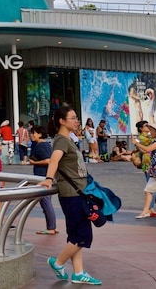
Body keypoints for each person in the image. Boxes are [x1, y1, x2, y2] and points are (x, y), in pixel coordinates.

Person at [39, 105, 102, 286]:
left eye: (77, 118)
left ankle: (79, 272)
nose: (77, 121)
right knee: (83, 235)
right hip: (72, 195)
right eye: (73, 118)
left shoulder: (68, 139)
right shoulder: (61, 140)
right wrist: (49, 178)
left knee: (75, 235)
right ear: (62, 121)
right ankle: (58, 263)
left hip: (78, 193)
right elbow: (55, 160)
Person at [27, 125, 58, 235]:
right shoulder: (48, 145)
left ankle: (51, 227)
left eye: (33, 133)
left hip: (42, 177)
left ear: (40, 134)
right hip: (47, 176)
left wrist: (34, 163)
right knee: (47, 202)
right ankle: (52, 226)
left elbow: (48, 160)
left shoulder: (40, 146)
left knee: (45, 202)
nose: (32, 135)